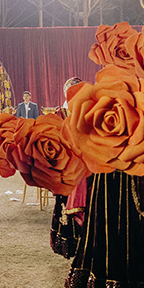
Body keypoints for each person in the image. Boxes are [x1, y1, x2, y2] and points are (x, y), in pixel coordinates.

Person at [51, 77, 83, 258]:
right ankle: (67, 243)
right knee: (65, 204)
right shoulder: (60, 114)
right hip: (66, 166)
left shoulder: (87, 112)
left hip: (84, 168)